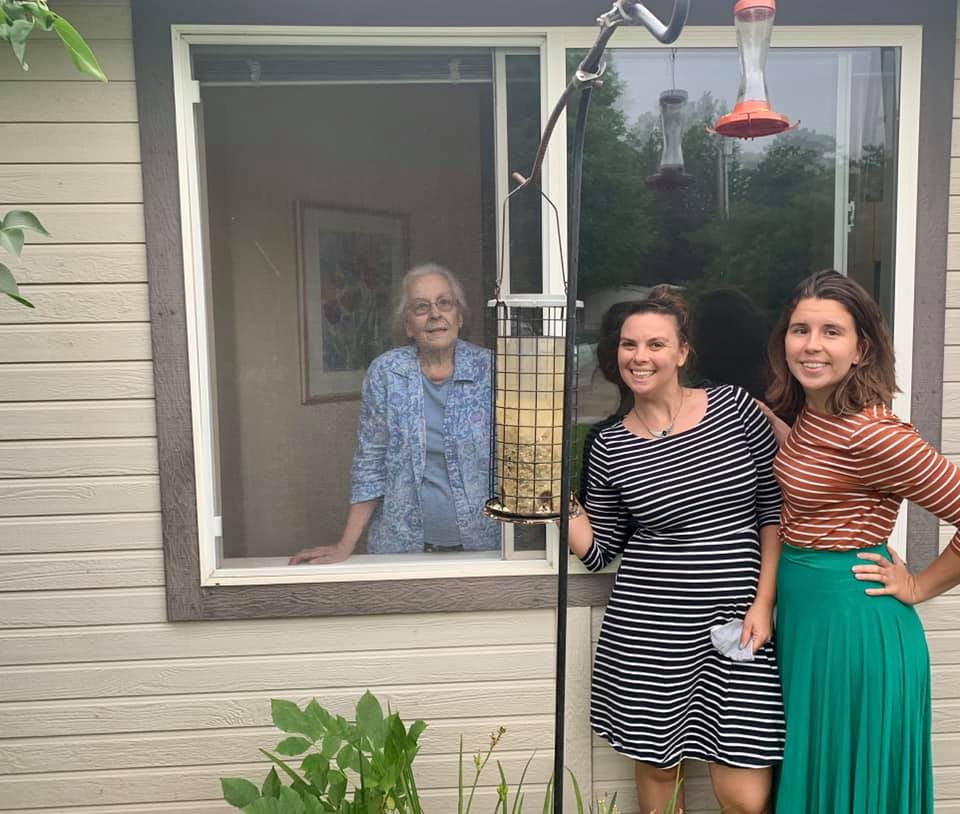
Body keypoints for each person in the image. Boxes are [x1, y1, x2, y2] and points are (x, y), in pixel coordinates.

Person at [567, 286, 785, 814]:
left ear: (682, 352)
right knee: (661, 776)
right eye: (629, 345)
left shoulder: (734, 407)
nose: (640, 357)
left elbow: (774, 512)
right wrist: (557, 501)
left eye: (656, 344)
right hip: (648, 627)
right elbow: (601, 551)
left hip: (736, 618)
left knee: (745, 793)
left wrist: (764, 602)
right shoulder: (608, 442)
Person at [767, 269, 960, 814]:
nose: (811, 345)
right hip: (808, 621)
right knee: (816, 769)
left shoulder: (873, 433)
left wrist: (920, 585)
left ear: (861, 349)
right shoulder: (814, 415)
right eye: (800, 329)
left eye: (831, 332)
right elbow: (817, 473)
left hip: (855, 628)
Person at [290, 263, 499, 563]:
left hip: (485, 547)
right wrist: (344, 545)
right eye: (421, 307)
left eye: (445, 303)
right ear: (407, 326)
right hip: (401, 547)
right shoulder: (386, 373)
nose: (435, 314)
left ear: (460, 316)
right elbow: (370, 462)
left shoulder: (492, 371)